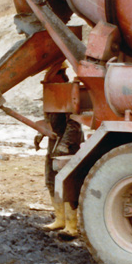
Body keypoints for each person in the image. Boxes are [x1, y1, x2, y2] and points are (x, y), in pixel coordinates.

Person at [35, 61, 82, 238]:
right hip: (54, 144)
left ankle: (72, 225)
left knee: (67, 182)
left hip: (68, 145)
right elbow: (48, 118)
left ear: (60, 74)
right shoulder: (53, 92)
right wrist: (41, 133)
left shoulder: (70, 92)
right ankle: (60, 219)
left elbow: (75, 122)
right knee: (51, 181)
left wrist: (65, 144)